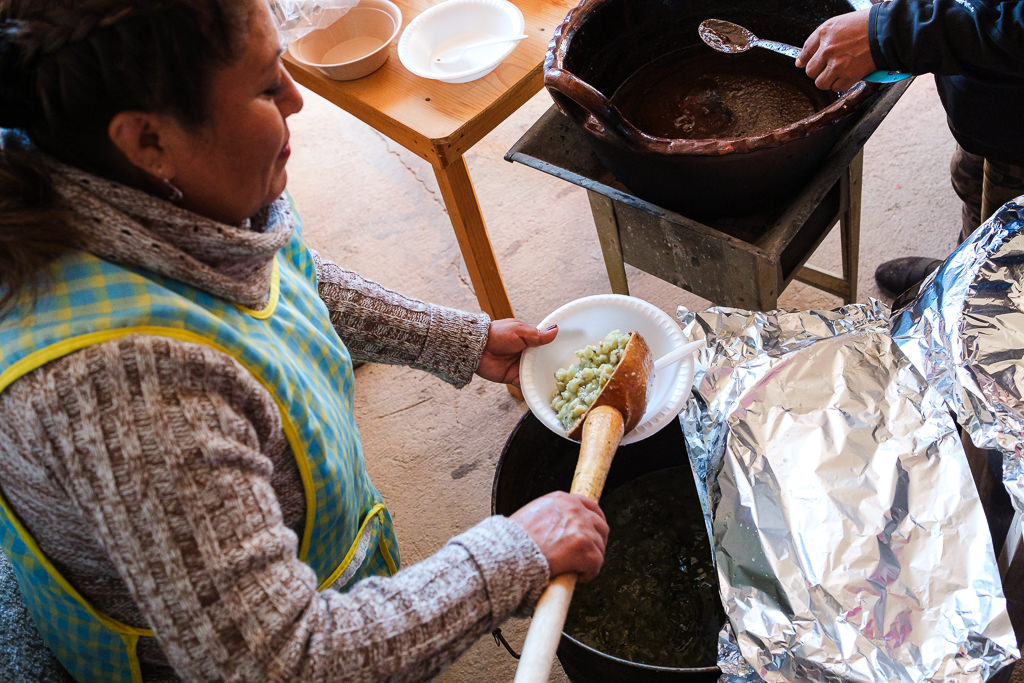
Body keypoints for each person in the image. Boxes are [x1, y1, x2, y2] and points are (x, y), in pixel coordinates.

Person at [0, 1, 610, 681]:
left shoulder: (163, 196)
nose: (296, 99)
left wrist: (460, 339)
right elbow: (276, 659)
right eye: (267, 87)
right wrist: (512, 554)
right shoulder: (126, 387)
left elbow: (285, 273)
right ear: (147, 141)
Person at [794, 0, 1024, 297]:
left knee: (1009, 254)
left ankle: (985, 294)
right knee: (972, 186)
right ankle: (964, 274)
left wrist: (890, 30)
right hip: (988, 98)